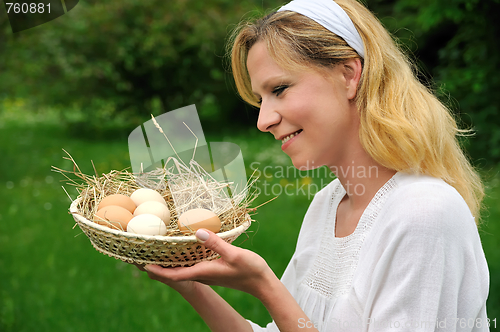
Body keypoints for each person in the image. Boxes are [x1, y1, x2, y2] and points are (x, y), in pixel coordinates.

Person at [137, 0, 490, 331]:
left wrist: (266, 287)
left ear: (349, 75)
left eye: (280, 89)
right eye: (261, 99)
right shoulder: (327, 205)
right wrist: (190, 283)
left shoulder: (424, 212)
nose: (263, 120)